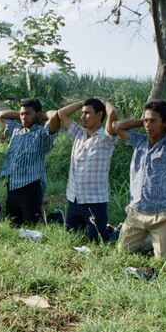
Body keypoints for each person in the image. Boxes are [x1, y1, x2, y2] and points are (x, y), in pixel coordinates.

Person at [112, 100, 166, 259]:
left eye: (153, 121)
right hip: (137, 211)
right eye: (146, 121)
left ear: (164, 123)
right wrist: (142, 120)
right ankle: (154, 240)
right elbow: (117, 126)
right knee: (123, 251)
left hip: (163, 214)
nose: (148, 125)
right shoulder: (140, 141)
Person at [57, 98, 118, 241]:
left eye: (87, 113)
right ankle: (105, 228)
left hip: (95, 201)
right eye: (82, 113)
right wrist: (82, 102)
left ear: (99, 115)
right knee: (72, 236)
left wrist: (103, 101)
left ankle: (117, 232)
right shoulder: (78, 133)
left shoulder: (106, 137)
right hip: (74, 198)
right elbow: (61, 114)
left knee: (98, 240)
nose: (82, 116)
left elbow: (113, 113)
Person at [0, 99, 60, 226]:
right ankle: (54, 217)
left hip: (31, 187)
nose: (23, 117)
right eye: (22, 114)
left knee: (31, 226)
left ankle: (56, 218)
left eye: (27, 114)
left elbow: (55, 115)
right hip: (12, 186)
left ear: (38, 115)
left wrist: (41, 116)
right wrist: (22, 115)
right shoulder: (17, 130)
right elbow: (1, 115)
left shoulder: (41, 133)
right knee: (13, 226)